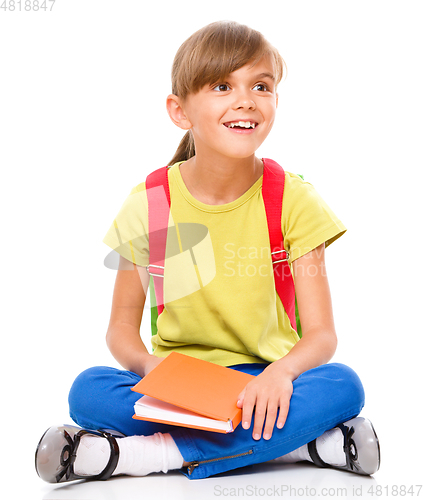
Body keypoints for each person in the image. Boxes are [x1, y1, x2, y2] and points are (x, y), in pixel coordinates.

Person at [35, 21, 380, 483]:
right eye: (222, 86)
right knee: (89, 391)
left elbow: (321, 335)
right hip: (179, 386)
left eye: (261, 85)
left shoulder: (294, 199)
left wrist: (280, 374)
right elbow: (120, 329)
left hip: (264, 383)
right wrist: (149, 367)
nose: (246, 100)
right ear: (180, 111)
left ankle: (142, 456)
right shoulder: (150, 204)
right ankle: (305, 445)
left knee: (342, 385)